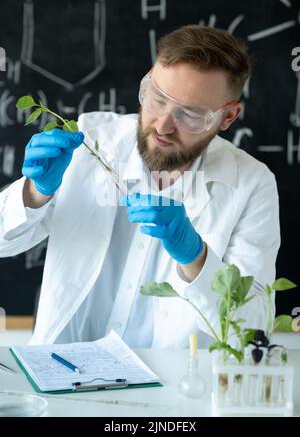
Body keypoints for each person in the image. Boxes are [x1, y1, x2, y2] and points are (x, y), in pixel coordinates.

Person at [0, 25, 280, 347]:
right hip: (63, 369)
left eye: (190, 115)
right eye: (157, 99)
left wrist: (196, 258)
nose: (163, 125)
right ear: (148, 80)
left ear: (227, 117)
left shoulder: (251, 184)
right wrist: (36, 192)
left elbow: (251, 329)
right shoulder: (91, 140)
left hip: (172, 387)